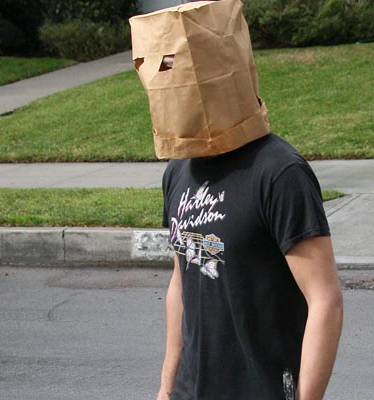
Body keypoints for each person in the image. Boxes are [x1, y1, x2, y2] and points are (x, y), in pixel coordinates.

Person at [129, 1, 343, 399]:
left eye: (173, 66)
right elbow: (180, 284)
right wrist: (166, 389)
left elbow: (325, 300)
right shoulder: (178, 171)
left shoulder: (279, 173)